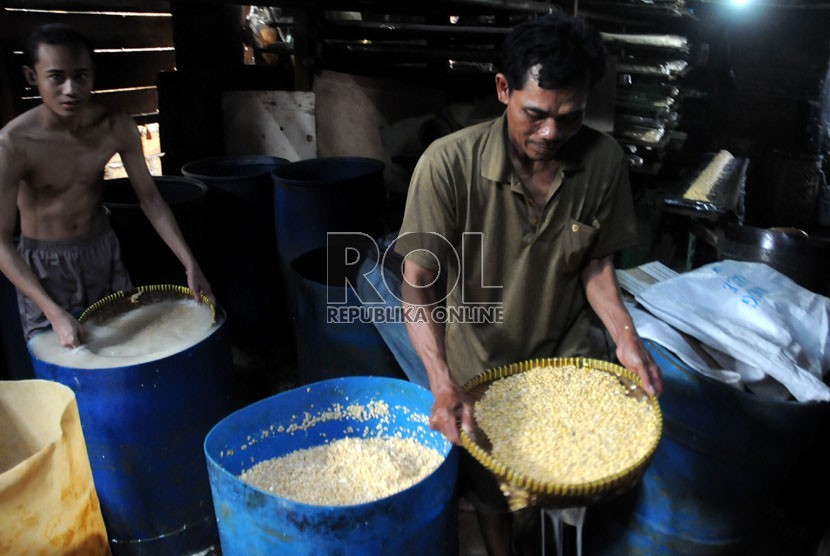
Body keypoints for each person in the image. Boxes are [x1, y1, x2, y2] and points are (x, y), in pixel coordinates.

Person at [361, 12, 664, 555]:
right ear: (503, 89)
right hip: (482, 363)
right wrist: (441, 379)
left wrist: (624, 335)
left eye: (570, 118)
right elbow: (417, 282)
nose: (552, 133)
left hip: (567, 358)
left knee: (572, 472)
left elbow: (596, 265)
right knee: (494, 490)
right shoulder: (448, 165)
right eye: (537, 114)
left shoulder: (603, 163)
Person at [0, 23, 213, 348]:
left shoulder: (115, 127)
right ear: (32, 76)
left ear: (92, 75)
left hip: (102, 251)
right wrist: (53, 312)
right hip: (45, 267)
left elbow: (152, 201)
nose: (70, 89)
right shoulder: (13, 144)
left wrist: (190, 263)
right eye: (56, 77)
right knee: (65, 356)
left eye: (81, 76)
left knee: (125, 348)